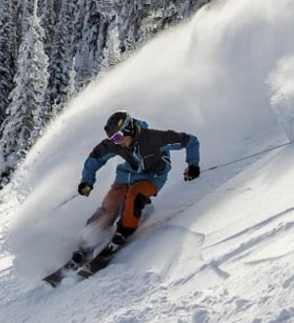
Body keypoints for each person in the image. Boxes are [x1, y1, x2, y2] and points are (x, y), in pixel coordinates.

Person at [71, 110, 201, 262]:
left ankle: (124, 230)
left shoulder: (154, 138)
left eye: (118, 137)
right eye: (112, 139)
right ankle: (88, 239)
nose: (116, 142)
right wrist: (87, 181)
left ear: (129, 129)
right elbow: (95, 158)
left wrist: (193, 166)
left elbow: (191, 141)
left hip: (153, 176)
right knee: (111, 202)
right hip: (128, 174)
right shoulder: (117, 144)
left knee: (134, 195)